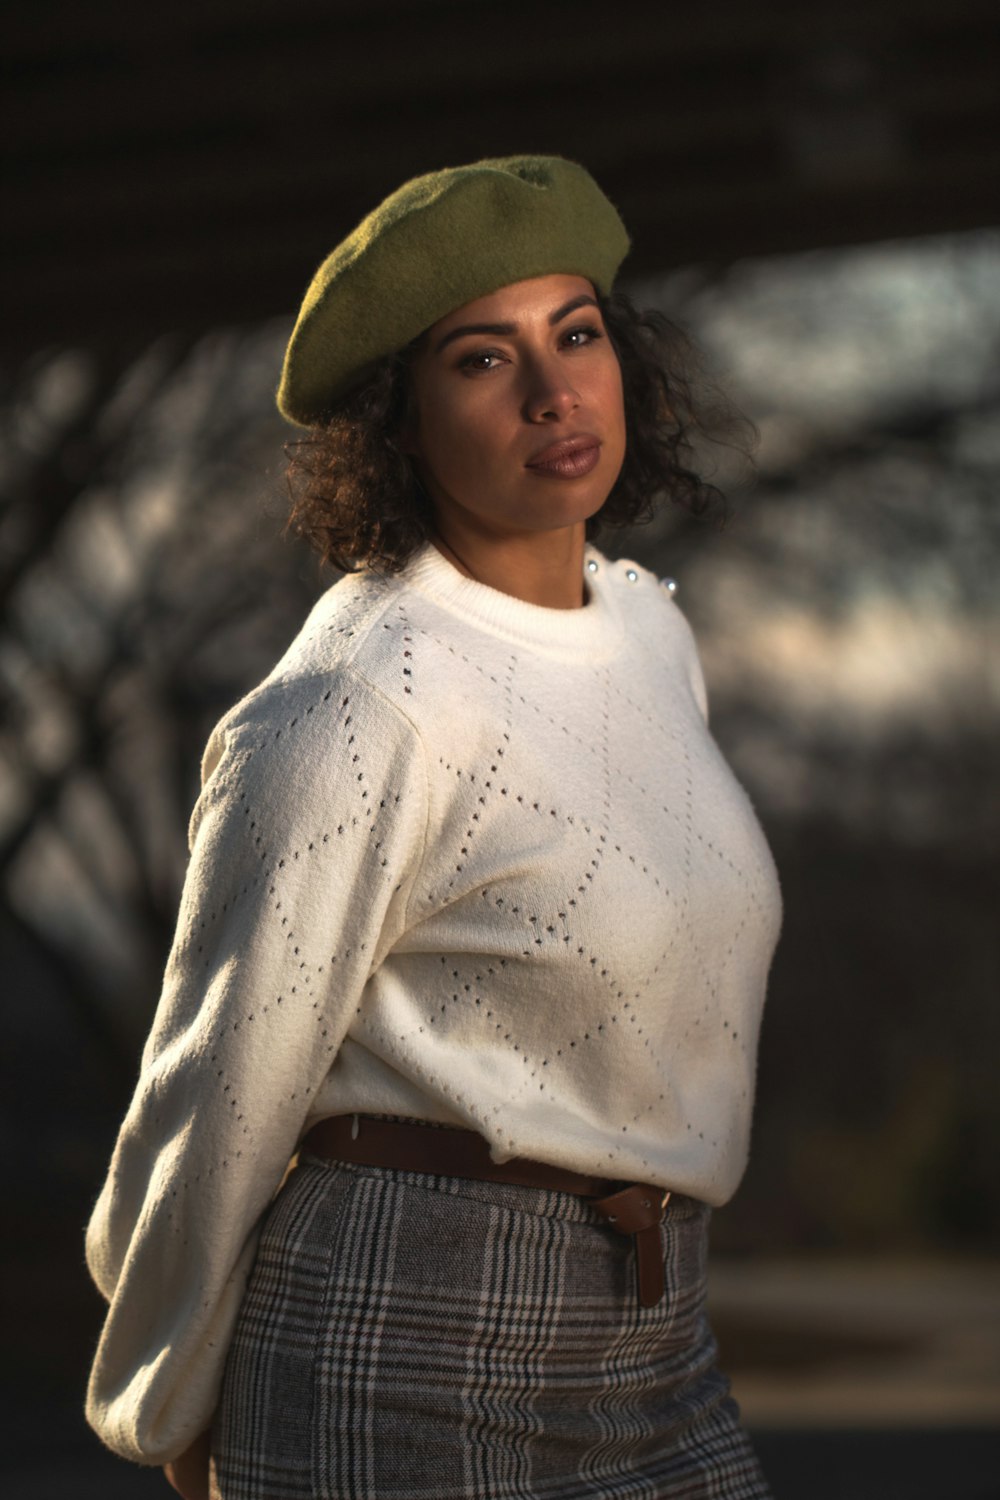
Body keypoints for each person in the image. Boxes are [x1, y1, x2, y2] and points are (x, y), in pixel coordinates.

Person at [85, 156, 782, 1500]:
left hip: (657, 1329)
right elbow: (217, 1085)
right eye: (480, 359)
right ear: (397, 423)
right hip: (402, 1331)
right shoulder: (358, 704)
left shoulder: (649, 632)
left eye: (575, 334)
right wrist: (172, 1397)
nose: (552, 390)